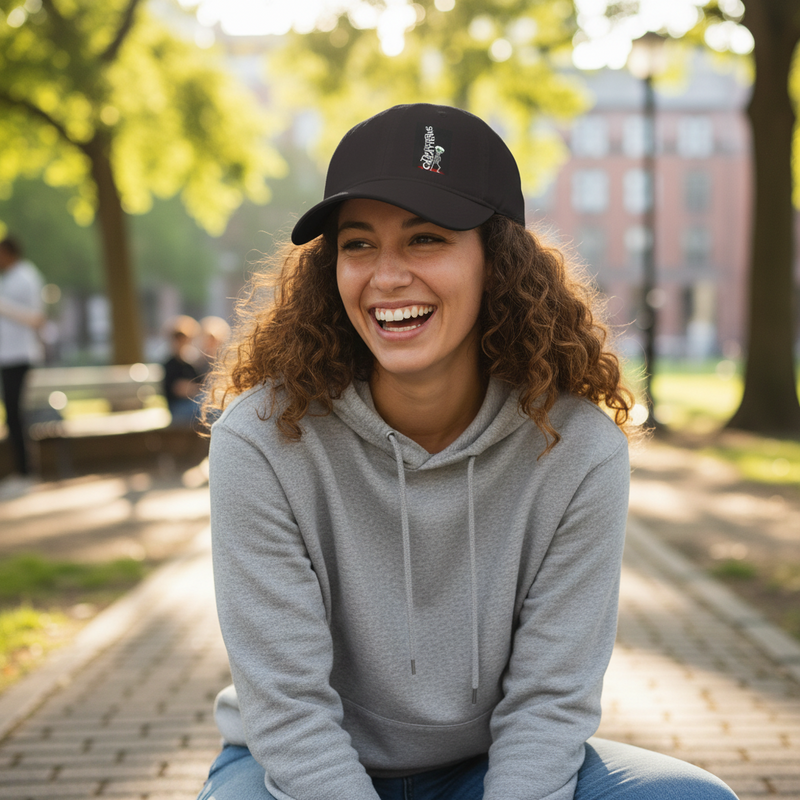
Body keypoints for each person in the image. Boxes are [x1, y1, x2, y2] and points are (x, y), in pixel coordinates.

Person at [198, 104, 737, 800]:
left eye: (425, 239)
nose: (386, 277)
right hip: (296, 767)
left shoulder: (576, 450)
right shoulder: (262, 439)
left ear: (498, 261)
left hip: (488, 767)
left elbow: (550, 702)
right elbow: (290, 712)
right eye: (358, 245)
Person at [0, 236, 45, 481]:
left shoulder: (27, 277)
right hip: (7, 356)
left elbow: (37, 318)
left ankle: (26, 471)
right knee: (12, 414)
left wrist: (3, 307)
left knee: (16, 413)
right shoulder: (7, 279)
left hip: (20, 355)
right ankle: (22, 470)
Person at [161, 314, 202, 425]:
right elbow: (178, 389)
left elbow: (197, 386)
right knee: (205, 408)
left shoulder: (190, 364)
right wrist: (191, 388)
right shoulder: (170, 364)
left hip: (190, 405)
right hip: (178, 408)